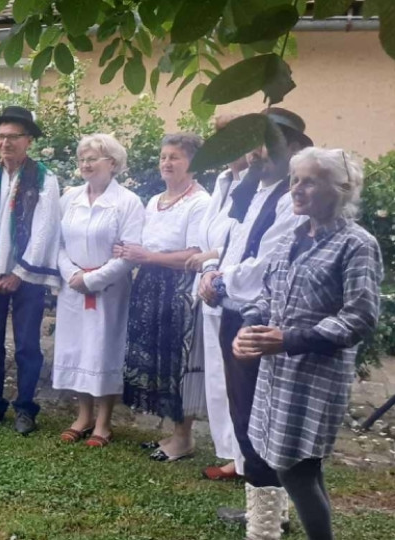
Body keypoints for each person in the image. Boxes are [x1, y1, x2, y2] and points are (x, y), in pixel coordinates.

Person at [234, 147, 382, 540]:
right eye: (295, 180)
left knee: (294, 469)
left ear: (341, 188)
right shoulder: (292, 238)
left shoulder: (357, 244)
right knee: (301, 467)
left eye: (309, 181)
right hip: (276, 370)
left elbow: (361, 315)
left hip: (316, 374)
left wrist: (290, 339)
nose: (296, 189)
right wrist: (249, 328)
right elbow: (267, 296)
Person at [200, 108, 312, 536]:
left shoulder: (290, 198)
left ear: (295, 149)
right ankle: (267, 510)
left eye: (270, 143)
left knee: (257, 418)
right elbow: (231, 248)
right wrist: (212, 276)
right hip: (236, 311)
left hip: (262, 318)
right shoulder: (258, 191)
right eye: (256, 143)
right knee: (245, 414)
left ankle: (265, 524)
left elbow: (266, 261)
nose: (259, 152)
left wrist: (220, 281)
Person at [0, 105, 61, 434]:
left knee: (26, 345)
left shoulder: (45, 177)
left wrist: (18, 273)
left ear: (28, 140)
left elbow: (45, 229)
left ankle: (25, 407)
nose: (5, 143)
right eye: (1, 136)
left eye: (13, 137)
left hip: (27, 278)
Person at [119, 133, 210, 461]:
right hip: (149, 286)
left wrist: (147, 257)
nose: (167, 163)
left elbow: (194, 255)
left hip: (179, 289)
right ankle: (172, 434)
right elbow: (145, 245)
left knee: (176, 363)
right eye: (163, 157)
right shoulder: (154, 201)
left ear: (193, 164)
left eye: (175, 157)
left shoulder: (201, 202)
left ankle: (183, 438)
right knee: (157, 360)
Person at [53, 134, 144, 447]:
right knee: (77, 348)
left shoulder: (128, 202)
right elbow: (59, 244)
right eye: (82, 159)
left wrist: (92, 280)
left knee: (104, 348)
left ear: (113, 163)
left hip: (109, 290)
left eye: (93, 158)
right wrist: (73, 275)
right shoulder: (70, 198)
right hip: (72, 288)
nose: (86, 164)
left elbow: (130, 251)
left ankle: (103, 422)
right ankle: (83, 415)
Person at [186, 114, 249, 481]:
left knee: (238, 379)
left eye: (231, 137)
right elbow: (210, 234)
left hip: (236, 290)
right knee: (218, 376)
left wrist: (212, 260)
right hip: (210, 287)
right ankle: (232, 454)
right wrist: (208, 262)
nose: (225, 145)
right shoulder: (223, 180)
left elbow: (243, 239)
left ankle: (245, 458)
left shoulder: (257, 186)